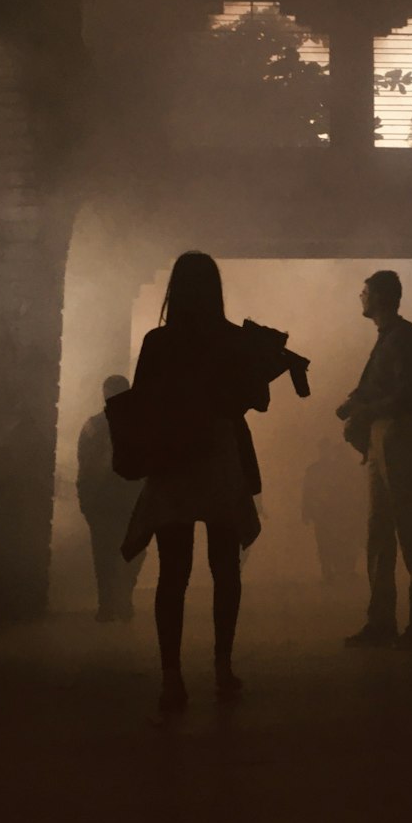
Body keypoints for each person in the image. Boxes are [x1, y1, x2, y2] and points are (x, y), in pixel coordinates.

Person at [124, 252, 271, 712]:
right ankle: (222, 665)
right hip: (221, 456)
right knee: (225, 567)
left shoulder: (158, 342)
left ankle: (172, 675)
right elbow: (256, 400)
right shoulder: (232, 340)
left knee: (173, 571)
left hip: (173, 457)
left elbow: (141, 401)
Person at [336, 270, 412, 650]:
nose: (359, 297)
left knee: (408, 527)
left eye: (363, 292)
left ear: (379, 296)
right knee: (381, 529)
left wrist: (360, 409)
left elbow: (405, 396)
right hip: (386, 439)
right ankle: (384, 620)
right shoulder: (393, 338)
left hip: (396, 436)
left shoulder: (399, 339)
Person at [77, 375, 145, 622]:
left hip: (109, 501)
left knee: (107, 555)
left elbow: (83, 466)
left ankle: (110, 603)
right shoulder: (141, 426)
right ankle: (117, 600)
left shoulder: (94, 426)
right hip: (121, 502)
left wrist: (85, 499)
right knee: (125, 554)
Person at [301, 437, 364, 584]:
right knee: (324, 543)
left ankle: (339, 570)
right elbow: (307, 491)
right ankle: (328, 571)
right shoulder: (314, 470)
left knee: (336, 541)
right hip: (322, 512)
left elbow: (346, 490)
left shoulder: (336, 469)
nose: (325, 452)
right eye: (323, 449)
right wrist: (306, 510)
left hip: (334, 512)